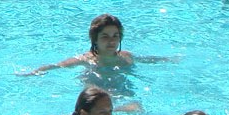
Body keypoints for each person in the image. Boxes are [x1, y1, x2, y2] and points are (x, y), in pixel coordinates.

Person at [24, 14, 172, 75]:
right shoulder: (85, 60)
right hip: (97, 98)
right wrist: (32, 73)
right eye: (105, 37)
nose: (111, 41)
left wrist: (170, 60)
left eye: (115, 36)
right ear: (95, 39)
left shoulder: (127, 57)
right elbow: (57, 66)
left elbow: (149, 59)